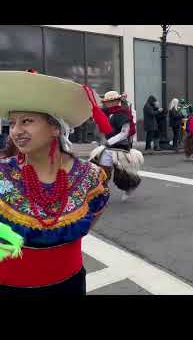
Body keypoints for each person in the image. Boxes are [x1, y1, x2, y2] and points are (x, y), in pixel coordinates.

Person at [0, 70, 110, 295]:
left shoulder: (90, 177)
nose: (16, 131)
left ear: (55, 127)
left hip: (68, 286)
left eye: (27, 121)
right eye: (12, 123)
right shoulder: (3, 174)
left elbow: (89, 224)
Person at [90, 91, 144, 202]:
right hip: (108, 147)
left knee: (124, 174)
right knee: (103, 170)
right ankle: (102, 191)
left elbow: (125, 132)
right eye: (106, 102)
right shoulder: (107, 112)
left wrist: (110, 141)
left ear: (115, 101)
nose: (107, 104)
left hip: (120, 147)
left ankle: (130, 187)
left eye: (109, 102)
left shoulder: (122, 113)